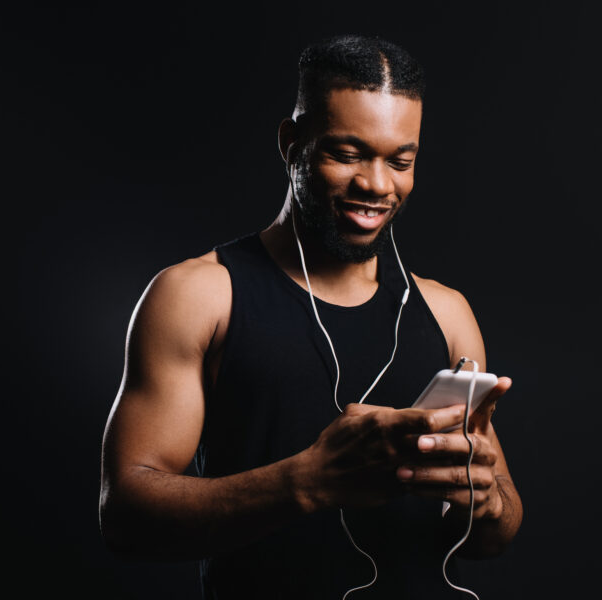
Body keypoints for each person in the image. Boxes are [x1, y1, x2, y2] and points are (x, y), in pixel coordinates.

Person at [99, 34, 523, 599]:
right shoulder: (198, 295)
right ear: (291, 142)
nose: (376, 184)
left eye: (401, 161)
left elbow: (496, 532)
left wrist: (487, 499)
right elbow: (126, 518)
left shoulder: (447, 313)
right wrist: (308, 481)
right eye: (346, 154)